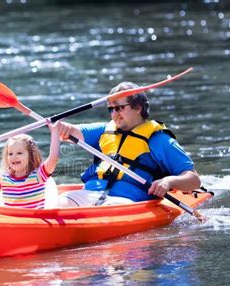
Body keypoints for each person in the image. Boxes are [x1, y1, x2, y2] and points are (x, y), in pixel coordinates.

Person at [57, 81, 202, 214]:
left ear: (138, 108)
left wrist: (168, 182)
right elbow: (69, 131)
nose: (114, 114)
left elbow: (194, 179)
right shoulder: (103, 130)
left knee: (106, 212)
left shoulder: (159, 140)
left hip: (126, 202)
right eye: (111, 109)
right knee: (56, 204)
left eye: (119, 108)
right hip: (89, 193)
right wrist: (60, 128)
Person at [0, 122, 60, 209]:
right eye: (10, 154)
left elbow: (53, 158)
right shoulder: (4, 178)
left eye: (19, 153)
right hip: (12, 220)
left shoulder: (38, 175)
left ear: (31, 155)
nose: (14, 157)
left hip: (34, 221)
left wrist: (55, 132)